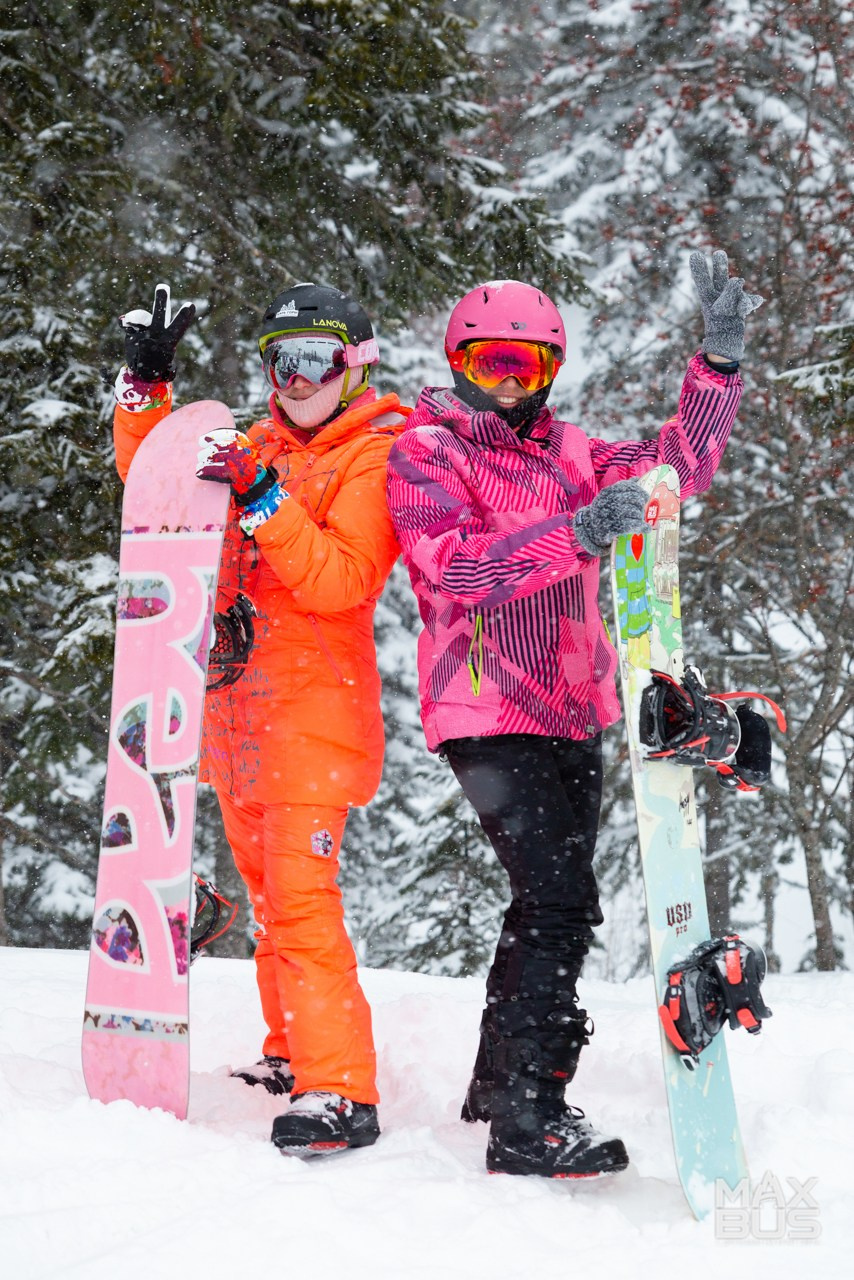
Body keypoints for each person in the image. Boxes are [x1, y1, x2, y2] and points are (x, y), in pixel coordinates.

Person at [386, 251, 763, 1178]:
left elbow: (677, 472)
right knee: (561, 900)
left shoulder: (575, 453)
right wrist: (579, 533)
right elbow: (459, 570)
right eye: (488, 364)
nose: (507, 384)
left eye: (525, 366)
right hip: (483, 707)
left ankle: (496, 1085)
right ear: (457, 363)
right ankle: (530, 1115)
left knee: (544, 900)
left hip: (570, 707)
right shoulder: (427, 452)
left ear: (550, 371)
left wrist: (716, 368)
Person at [112, 281, 409, 1156]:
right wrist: (146, 388)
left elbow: (341, 579)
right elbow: (152, 482)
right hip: (238, 725)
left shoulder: (376, 457)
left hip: (315, 726)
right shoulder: (255, 446)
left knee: (304, 906)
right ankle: (291, 1055)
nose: (297, 379)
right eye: (282, 362)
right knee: (272, 909)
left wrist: (266, 499)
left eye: (315, 359)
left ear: (355, 365)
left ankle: (340, 1088)